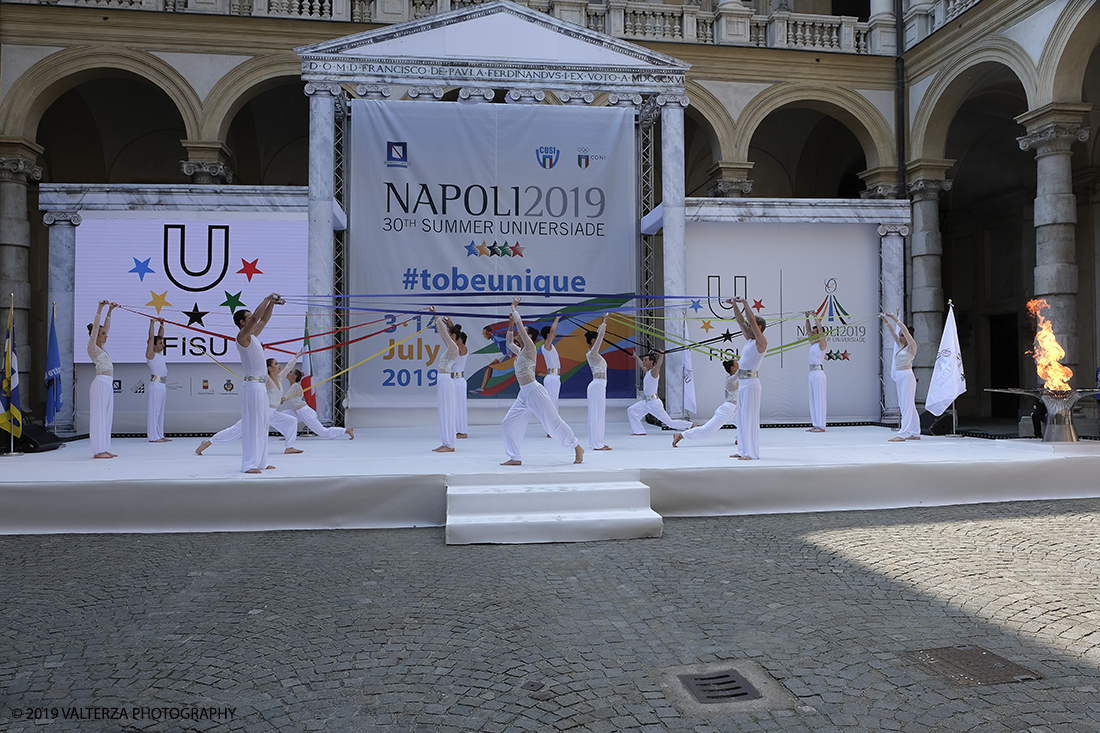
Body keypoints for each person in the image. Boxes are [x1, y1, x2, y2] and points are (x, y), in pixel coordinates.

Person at [501, 297, 583, 465]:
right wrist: (510, 323)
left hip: (534, 391)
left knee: (552, 424)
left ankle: (577, 447)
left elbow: (520, 329)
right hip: (524, 394)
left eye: (522, 330)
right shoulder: (520, 350)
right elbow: (509, 342)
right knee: (508, 423)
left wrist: (514, 308)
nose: (518, 332)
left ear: (530, 336)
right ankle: (515, 457)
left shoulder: (530, 348)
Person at [196, 352, 303, 457]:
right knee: (235, 430)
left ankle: (289, 447)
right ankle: (208, 442)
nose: (279, 365)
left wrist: (296, 357)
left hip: (271, 413)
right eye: (275, 364)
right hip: (260, 412)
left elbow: (288, 367)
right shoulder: (266, 379)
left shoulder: (279, 379)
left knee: (291, 420)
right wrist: (260, 353)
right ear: (269, 368)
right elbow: (260, 367)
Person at [234, 293, 282, 473]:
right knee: (252, 425)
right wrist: (266, 298)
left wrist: (272, 304)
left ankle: (261, 461)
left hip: (260, 387)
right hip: (252, 387)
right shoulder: (242, 337)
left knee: (263, 424)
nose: (253, 319)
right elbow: (256, 317)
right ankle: (248, 464)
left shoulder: (253, 335)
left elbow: (264, 320)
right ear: (242, 323)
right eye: (248, 318)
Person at [730, 296, 767, 460]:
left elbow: (750, 320)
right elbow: (741, 322)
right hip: (743, 383)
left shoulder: (761, 341)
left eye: (752, 326)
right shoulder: (750, 340)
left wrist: (745, 303)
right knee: (742, 417)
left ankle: (751, 453)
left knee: (750, 418)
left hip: (752, 384)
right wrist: (735, 306)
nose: (748, 328)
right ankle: (743, 450)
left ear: (758, 327)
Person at [673, 358, 739, 448]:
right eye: (737, 364)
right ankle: (681, 435)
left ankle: (740, 439)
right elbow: (742, 371)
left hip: (734, 410)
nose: (739, 365)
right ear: (733, 368)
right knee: (706, 431)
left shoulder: (733, 377)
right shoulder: (731, 379)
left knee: (744, 423)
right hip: (727, 410)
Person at [626, 349, 693, 435]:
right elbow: (640, 364)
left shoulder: (654, 372)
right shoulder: (647, 372)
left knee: (670, 423)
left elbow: (658, 366)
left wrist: (661, 356)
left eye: (646, 360)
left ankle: (691, 425)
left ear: (651, 362)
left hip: (654, 403)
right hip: (646, 402)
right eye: (644, 360)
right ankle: (639, 431)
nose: (643, 361)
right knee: (631, 410)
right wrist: (636, 357)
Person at [280, 368, 354, 441]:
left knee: (322, 432)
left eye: (290, 372)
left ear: (294, 376)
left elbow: (286, 396)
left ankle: (346, 430)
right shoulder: (293, 385)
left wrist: (281, 400)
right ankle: (288, 436)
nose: (288, 373)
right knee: (284, 416)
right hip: (299, 412)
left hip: (305, 412)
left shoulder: (295, 386)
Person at [882, 312, 920, 441]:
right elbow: (893, 333)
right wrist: (885, 321)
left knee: (906, 404)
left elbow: (904, 330)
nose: (900, 337)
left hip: (907, 376)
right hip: (900, 376)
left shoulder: (911, 346)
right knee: (907, 404)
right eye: (900, 336)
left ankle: (902, 434)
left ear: (908, 336)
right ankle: (915, 433)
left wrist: (894, 318)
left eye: (903, 336)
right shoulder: (900, 346)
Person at [87, 300, 118, 458]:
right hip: (99, 383)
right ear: (96, 335)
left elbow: (105, 326)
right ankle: (98, 451)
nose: (106, 336)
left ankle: (104, 448)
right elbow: (96, 328)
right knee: (99, 416)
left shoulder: (102, 348)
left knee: (106, 416)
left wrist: (110, 311)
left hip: (107, 384)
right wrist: (100, 308)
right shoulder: (92, 346)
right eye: (103, 334)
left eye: (106, 334)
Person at [428, 307, 459, 453]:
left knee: (447, 412)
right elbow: (444, 333)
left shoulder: (454, 347)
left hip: (446, 381)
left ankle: (449, 444)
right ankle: (445, 442)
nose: (446, 336)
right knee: (443, 411)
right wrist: (442, 321)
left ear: (452, 336)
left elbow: (442, 334)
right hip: (443, 381)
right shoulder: (451, 347)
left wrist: (436, 317)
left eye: (449, 334)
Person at [585, 314, 612, 451]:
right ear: (593, 340)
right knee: (596, 415)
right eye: (596, 340)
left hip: (599, 385)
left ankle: (598, 442)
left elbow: (599, 338)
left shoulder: (593, 353)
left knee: (598, 414)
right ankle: (597, 444)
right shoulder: (593, 353)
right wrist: (604, 321)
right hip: (597, 385)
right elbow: (601, 337)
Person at [145, 318, 170, 442]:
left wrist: (162, 324)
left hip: (162, 385)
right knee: (154, 411)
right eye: (160, 343)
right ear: (154, 345)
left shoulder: (159, 354)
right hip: (155, 385)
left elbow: (160, 335)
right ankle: (153, 436)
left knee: (160, 412)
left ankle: (160, 434)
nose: (163, 345)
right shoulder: (151, 354)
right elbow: (151, 338)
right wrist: (152, 324)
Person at [805, 310, 827, 432]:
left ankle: (821, 425)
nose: (812, 334)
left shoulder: (822, 344)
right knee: (813, 399)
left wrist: (816, 318)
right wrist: (807, 317)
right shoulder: (813, 343)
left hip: (819, 374)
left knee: (819, 398)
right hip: (811, 373)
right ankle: (815, 424)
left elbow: (820, 329)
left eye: (815, 333)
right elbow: (808, 331)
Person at [451, 326, 469, 439]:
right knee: (454, 406)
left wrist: (453, 328)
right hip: (452, 380)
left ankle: (462, 431)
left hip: (459, 380)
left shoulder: (463, 350)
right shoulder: (455, 350)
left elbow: (456, 338)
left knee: (460, 406)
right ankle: (456, 429)